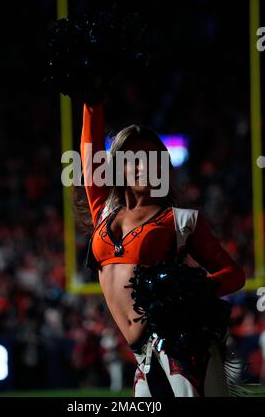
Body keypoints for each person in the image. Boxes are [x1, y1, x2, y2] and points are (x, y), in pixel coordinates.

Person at [78, 95, 246, 397]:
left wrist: (190, 291)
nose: (142, 166)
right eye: (132, 159)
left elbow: (233, 275)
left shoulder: (180, 220)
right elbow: (90, 159)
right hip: (141, 354)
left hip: (183, 346)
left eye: (151, 158)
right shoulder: (104, 212)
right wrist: (93, 104)